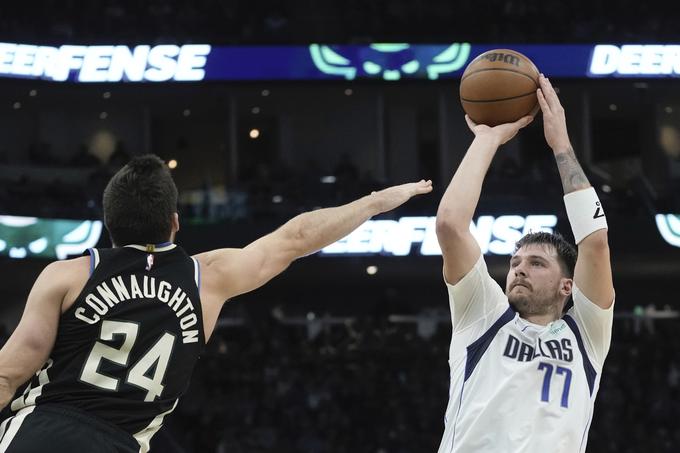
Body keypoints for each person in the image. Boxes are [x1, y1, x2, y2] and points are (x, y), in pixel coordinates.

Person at [0, 155, 432, 452]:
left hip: (40, 433)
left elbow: (6, 375)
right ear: (174, 222)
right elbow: (296, 237)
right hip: (121, 442)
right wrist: (375, 202)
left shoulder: (71, 274)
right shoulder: (206, 278)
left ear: (108, 224)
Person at [435, 75, 614, 452]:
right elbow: (451, 225)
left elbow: (595, 243)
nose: (518, 268)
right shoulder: (482, 314)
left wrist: (561, 144)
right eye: (516, 261)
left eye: (536, 264)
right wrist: (486, 140)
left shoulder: (587, 335)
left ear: (568, 286)